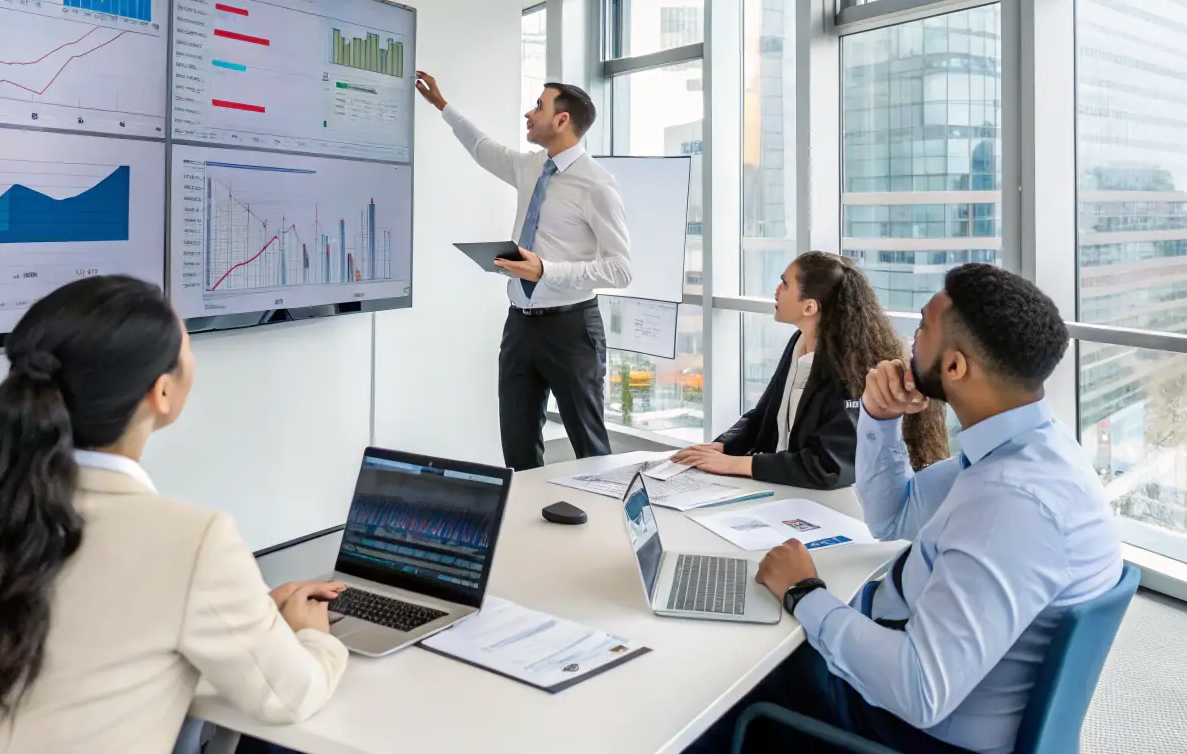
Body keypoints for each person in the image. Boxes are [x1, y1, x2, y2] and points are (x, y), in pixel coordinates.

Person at [0, 276, 348, 754]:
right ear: (162, 392)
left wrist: (247, 617)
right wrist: (313, 638)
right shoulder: (193, 541)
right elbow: (290, 696)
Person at [689, 263, 1123, 754]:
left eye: (921, 328)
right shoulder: (1021, 449)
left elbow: (920, 691)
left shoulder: (1013, 505)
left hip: (905, 727)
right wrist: (878, 417)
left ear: (955, 367)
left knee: (714, 686)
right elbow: (892, 517)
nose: (908, 342)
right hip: (911, 660)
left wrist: (804, 591)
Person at [416, 71, 631, 470]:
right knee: (517, 448)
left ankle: (607, 529)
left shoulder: (597, 185)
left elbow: (621, 270)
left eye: (539, 106)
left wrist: (545, 270)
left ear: (562, 120)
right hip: (520, 326)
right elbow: (483, 149)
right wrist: (443, 106)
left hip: (572, 330)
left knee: (589, 448)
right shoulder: (531, 167)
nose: (529, 114)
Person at [671, 252, 948, 487]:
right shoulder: (799, 342)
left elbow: (827, 466)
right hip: (783, 489)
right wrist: (723, 446)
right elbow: (762, 416)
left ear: (809, 307)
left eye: (784, 283)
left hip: (824, 502)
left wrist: (734, 464)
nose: (776, 290)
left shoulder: (851, 367)